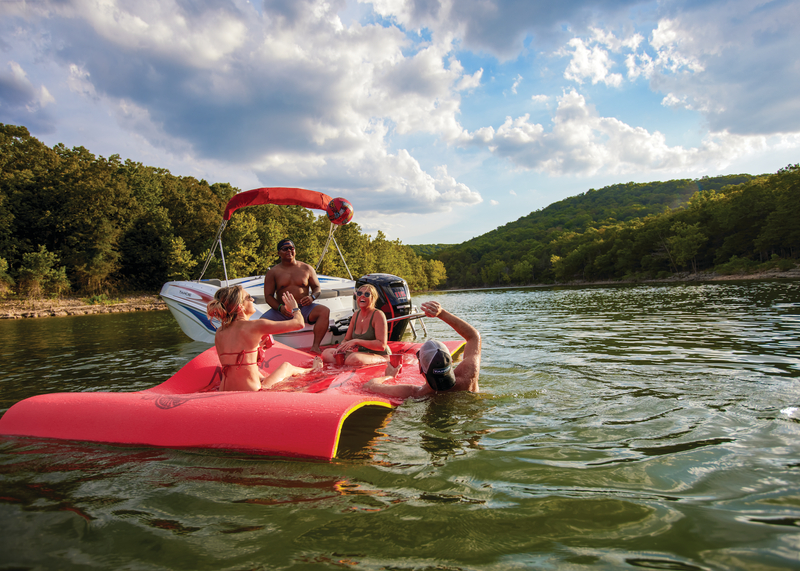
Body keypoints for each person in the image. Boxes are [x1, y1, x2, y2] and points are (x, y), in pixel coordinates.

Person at [207, 284, 320, 392]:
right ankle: (313, 370)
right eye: (248, 297)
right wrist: (295, 308)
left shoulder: (220, 332)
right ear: (240, 307)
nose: (252, 300)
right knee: (286, 367)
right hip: (250, 390)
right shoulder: (256, 325)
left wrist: (257, 349)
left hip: (224, 389)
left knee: (260, 374)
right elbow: (299, 324)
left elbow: (238, 363)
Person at [364, 300, 481, 398]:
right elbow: (474, 337)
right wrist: (441, 313)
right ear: (451, 363)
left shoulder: (415, 393)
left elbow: (369, 386)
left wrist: (389, 376)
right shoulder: (468, 377)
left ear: (421, 369)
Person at [262, 239, 331, 353]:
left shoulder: (307, 268)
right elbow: (268, 296)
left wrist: (312, 297)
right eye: (285, 248)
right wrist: (280, 308)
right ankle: (263, 350)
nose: (289, 250)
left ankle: (315, 346)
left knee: (324, 311)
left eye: (291, 248)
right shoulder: (273, 272)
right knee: (261, 323)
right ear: (279, 253)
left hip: (304, 308)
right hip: (282, 310)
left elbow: (317, 288)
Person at [321, 283, 390, 366]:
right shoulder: (356, 315)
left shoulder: (378, 315)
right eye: (359, 293)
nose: (362, 296)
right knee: (326, 353)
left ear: (373, 298)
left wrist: (357, 341)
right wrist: (341, 348)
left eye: (367, 294)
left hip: (380, 355)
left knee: (354, 359)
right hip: (361, 354)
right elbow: (346, 339)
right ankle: (346, 362)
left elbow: (381, 345)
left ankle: (349, 362)